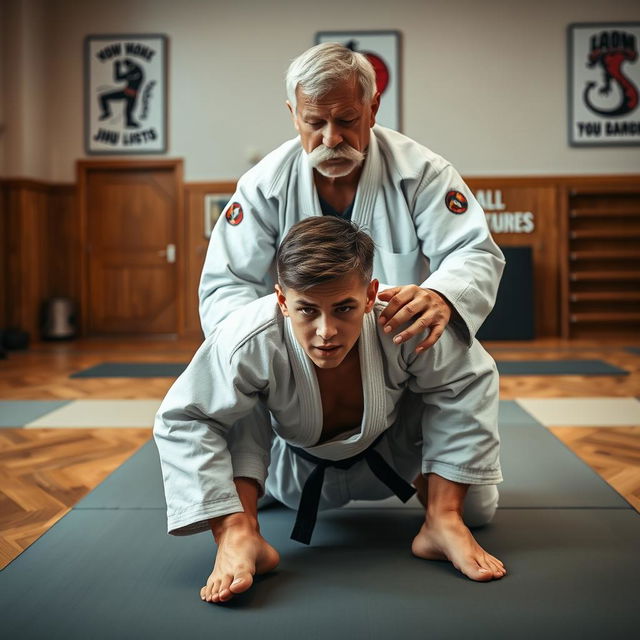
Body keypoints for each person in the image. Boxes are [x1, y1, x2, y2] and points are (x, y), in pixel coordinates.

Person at [154, 217, 505, 606]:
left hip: (395, 458)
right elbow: (184, 417)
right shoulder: (248, 337)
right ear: (283, 301)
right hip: (292, 474)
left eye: (344, 308)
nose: (326, 331)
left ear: (371, 296)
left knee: (479, 510)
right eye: (307, 309)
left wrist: (449, 509)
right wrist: (225, 521)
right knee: (233, 400)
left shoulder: (403, 317)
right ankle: (241, 533)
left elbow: (469, 380)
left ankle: (442, 520)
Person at [199, 42, 504, 350]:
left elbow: (472, 252)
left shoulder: (421, 174)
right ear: (294, 115)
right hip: (295, 355)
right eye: (315, 122)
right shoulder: (263, 187)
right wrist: (258, 350)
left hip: (395, 349)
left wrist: (442, 295)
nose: (331, 138)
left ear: (372, 109)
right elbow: (228, 283)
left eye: (346, 120)